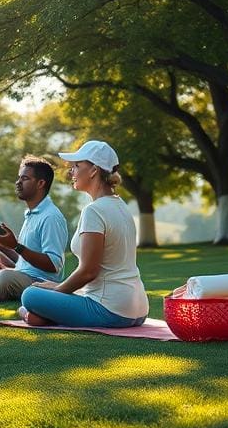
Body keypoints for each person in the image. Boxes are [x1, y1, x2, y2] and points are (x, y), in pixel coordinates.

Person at [19, 140, 149, 328]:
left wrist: (57, 289)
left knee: (29, 295)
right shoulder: (121, 206)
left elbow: (88, 271)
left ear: (94, 170)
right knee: (42, 294)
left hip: (109, 309)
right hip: (138, 309)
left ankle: (37, 315)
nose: (71, 171)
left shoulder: (94, 211)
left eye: (77, 166)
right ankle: (41, 316)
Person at [0, 155, 68, 303]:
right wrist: (4, 245)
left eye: (25, 179)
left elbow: (54, 265)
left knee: (4, 276)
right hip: (23, 276)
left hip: (40, 283)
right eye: (19, 178)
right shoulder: (31, 214)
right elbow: (25, 262)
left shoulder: (51, 217)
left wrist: (16, 245)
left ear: (41, 183)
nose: (18, 182)